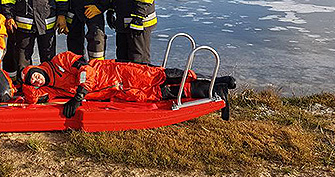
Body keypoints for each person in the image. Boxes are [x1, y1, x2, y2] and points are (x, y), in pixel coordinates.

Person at [21, 51, 236, 120]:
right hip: (115, 92)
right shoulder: (50, 89)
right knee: (158, 94)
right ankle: (215, 91)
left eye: (34, 76)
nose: (36, 81)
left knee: (158, 75)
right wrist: (20, 84)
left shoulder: (60, 60)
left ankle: (218, 80)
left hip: (116, 73)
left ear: (37, 68)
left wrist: (80, 94)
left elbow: (87, 70)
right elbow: (32, 97)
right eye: (33, 81)